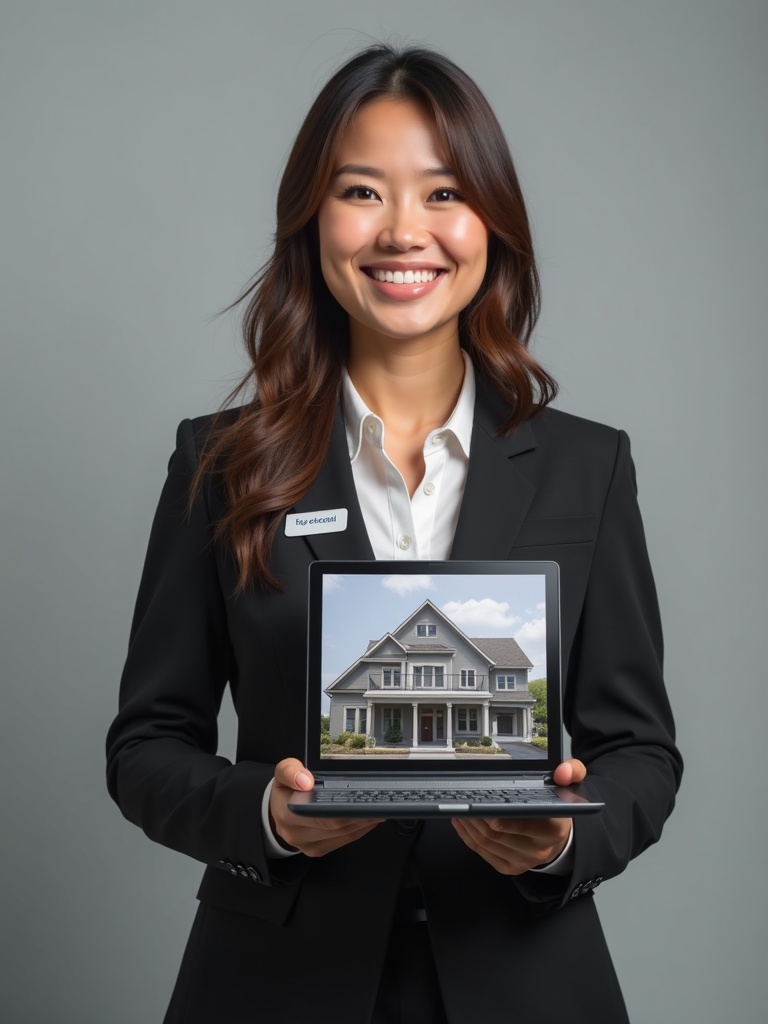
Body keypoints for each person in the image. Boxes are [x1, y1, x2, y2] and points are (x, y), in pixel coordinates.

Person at [106, 44, 682, 1024]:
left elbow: (642, 749)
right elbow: (148, 742)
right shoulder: (222, 462)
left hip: (527, 976)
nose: (404, 231)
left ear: (492, 222)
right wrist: (267, 816)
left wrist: (560, 840)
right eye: (363, 191)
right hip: (273, 981)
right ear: (312, 221)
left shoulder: (590, 467)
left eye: (444, 192)